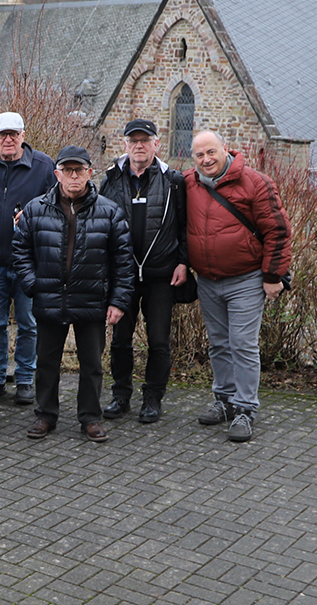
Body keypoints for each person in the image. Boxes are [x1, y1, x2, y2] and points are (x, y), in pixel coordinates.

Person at [13, 146, 133, 443]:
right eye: (68, 170)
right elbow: (20, 250)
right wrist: (33, 284)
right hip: (49, 297)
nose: (74, 176)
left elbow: (123, 262)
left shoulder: (109, 211)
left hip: (91, 298)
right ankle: (46, 414)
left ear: (90, 173)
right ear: (58, 174)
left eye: (79, 170)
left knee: (92, 364)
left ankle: (90, 418)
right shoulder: (36, 208)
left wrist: (118, 301)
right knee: (47, 361)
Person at [185, 130, 292, 443]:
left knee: (242, 344)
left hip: (245, 279)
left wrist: (273, 276)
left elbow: (278, 231)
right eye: (199, 155)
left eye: (211, 152)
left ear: (225, 150)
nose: (206, 160)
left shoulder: (256, 182)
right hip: (207, 279)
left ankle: (245, 410)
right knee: (219, 343)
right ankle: (225, 399)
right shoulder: (188, 183)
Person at [98, 119, 187, 424]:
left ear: (156, 144)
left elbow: (185, 226)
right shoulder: (109, 180)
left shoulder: (173, 181)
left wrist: (183, 261)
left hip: (161, 275)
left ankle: (152, 398)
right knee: (120, 340)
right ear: (124, 144)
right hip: (122, 276)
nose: (139, 145)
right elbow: (99, 228)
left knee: (159, 340)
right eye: (133, 140)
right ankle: (121, 395)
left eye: (145, 140)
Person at [0, 112, 56, 406]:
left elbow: (57, 209)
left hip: (29, 263)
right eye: (2, 134)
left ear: (23, 135)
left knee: (28, 323)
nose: (8, 139)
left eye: (14, 134)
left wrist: (35, 217)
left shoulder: (44, 167)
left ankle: (24, 380)